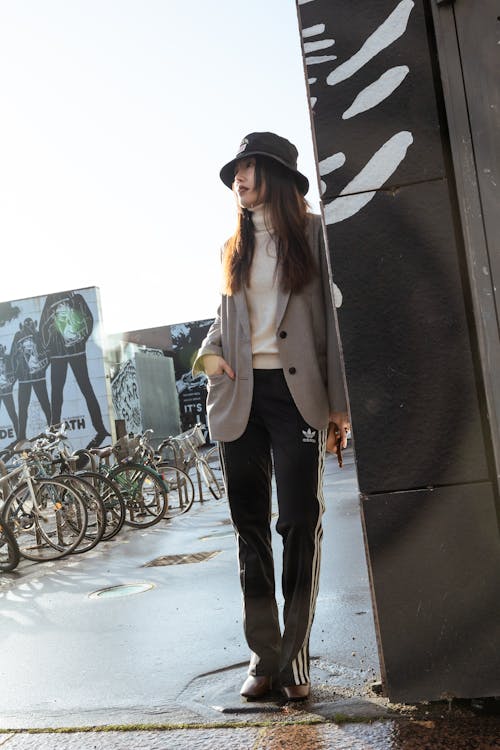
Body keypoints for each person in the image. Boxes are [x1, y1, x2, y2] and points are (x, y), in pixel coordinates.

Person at [192, 132, 350, 702]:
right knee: (250, 529)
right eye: (236, 170)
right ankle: (263, 657)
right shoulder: (231, 248)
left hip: (296, 397)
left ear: (277, 176)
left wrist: (338, 406)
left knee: (299, 523)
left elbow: (332, 326)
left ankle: (295, 662)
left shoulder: (311, 234)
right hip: (240, 399)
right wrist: (208, 354)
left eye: (249, 167)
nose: (239, 179)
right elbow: (224, 317)